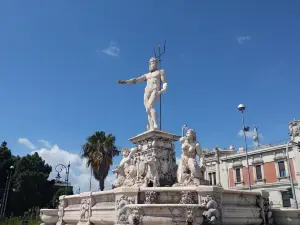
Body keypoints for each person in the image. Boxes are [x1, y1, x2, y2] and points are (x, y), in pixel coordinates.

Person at [117, 57, 167, 130]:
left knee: (150, 107)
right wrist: (126, 81)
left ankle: (156, 124)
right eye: (150, 62)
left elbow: (164, 82)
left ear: (156, 63)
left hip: (155, 89)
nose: (151, 64)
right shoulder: (146, 75)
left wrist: (164, 88)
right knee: (147, 109)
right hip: (147, 91)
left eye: (152, 62)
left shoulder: (160, 71)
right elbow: (136, 80)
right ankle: (151, 127)